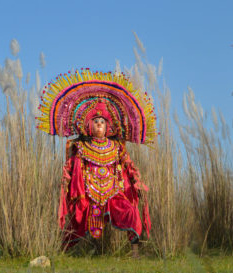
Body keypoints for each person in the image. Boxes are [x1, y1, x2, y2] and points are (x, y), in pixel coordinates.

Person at [36, 69, 156, 258]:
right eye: (95, 121)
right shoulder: (80, 146)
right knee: (77, 218)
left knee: (131, 212)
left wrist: (136, 182)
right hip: (87, 194)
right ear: (87, 124)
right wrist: (66, 183)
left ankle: (135, 252)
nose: (99, 124)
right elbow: (69, 168)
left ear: (108, 126)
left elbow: (129, 166)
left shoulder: (117, 147)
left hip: (113, 194)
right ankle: (65, 254)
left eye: (102, 121)